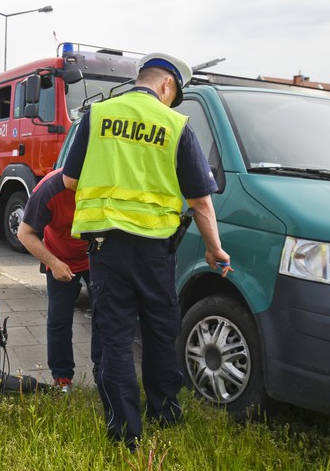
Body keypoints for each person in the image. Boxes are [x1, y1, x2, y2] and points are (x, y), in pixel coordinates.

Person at [62, 52, 233, 449]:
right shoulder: (175, 125)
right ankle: (164, 412)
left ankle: (124, 432)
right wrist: (215, 250)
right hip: (156, 250)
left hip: (106, 246)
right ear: (167, 86)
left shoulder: (98, 115)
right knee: (159, 331)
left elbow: (69, 181)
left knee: (116, 336)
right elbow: (201, 201)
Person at [17, 168, 101, 392]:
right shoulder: (48, 190)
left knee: (104, 316)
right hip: (60, 256)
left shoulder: (103, 183)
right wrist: (53, 263)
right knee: (59, 319)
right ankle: (62, 378)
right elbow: (24, 233)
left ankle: (103, 371)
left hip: (96, 256)